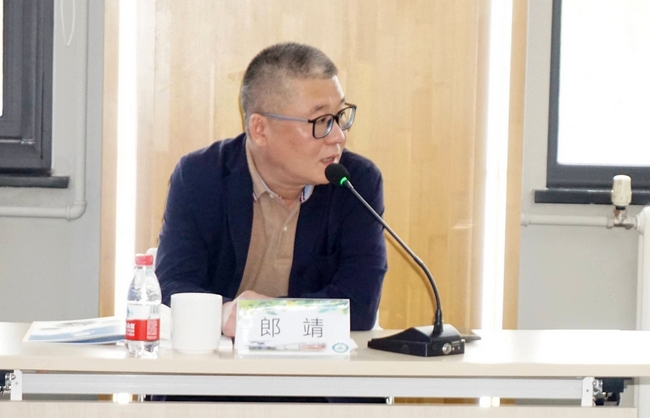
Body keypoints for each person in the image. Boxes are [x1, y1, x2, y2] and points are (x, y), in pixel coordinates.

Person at [156, 42, 387, 339]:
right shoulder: (201, 176)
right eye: (321, 121)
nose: (338, 137)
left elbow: (360, 306)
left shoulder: (355, 182)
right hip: (218, 360)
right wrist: (224, 313)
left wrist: (260, 316)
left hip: (317, 363)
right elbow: (172, 287)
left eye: (340, 116)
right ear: (260, 130)